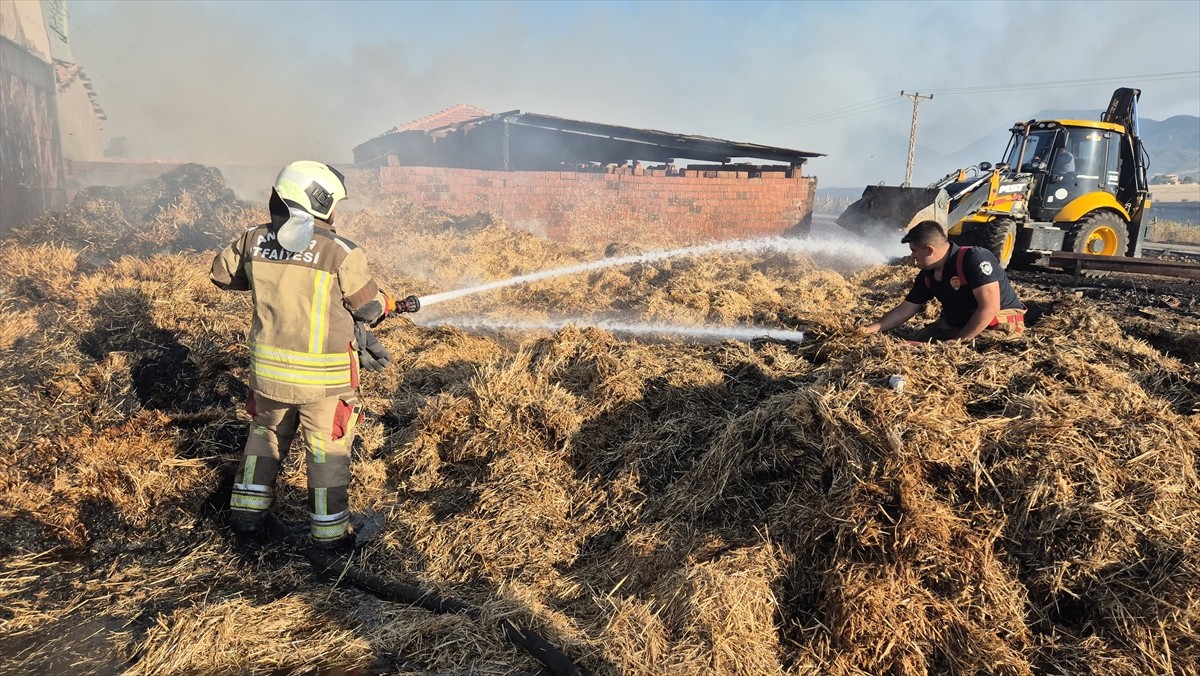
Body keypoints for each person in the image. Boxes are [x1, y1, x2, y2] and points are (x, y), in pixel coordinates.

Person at [210, 160, 419, 549]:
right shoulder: (339, 252)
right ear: (319, 202)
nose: (337, 213)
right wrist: (389, 303)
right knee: (326, 455)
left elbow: (223, 277)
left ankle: (246, 520)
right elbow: (369, 308)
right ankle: (329, 539)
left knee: (264, 438)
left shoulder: (251, 240)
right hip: (324, 384)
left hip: (269, 377)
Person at [860, 220, 1025, 343]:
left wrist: (958, 341)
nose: (912, 256)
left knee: (932, 353)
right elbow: (905, 310)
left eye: (915, 251)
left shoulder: (974, 259)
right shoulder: (927, 275)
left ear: (930, 250)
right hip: (955, 325)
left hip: (995, 327)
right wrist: (872, 328)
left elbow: (990, 307)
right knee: (908, 345)